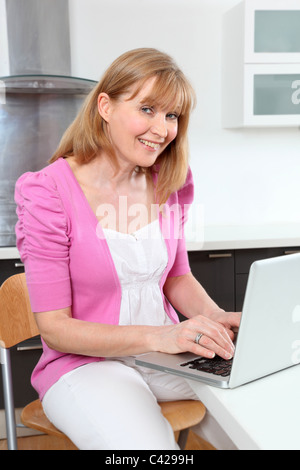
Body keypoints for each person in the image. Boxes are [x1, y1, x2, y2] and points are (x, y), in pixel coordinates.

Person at [15, 48, 240, 450]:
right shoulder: (47, 193)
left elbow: (176, 276)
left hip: (167, 354)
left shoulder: (170, 178)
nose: (162, 128)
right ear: (105, 105)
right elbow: (56, 329)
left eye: (172, 116)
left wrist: (218, 319)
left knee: (264, 410)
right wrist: (161, 336)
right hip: (86, 366)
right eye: (148, 109)